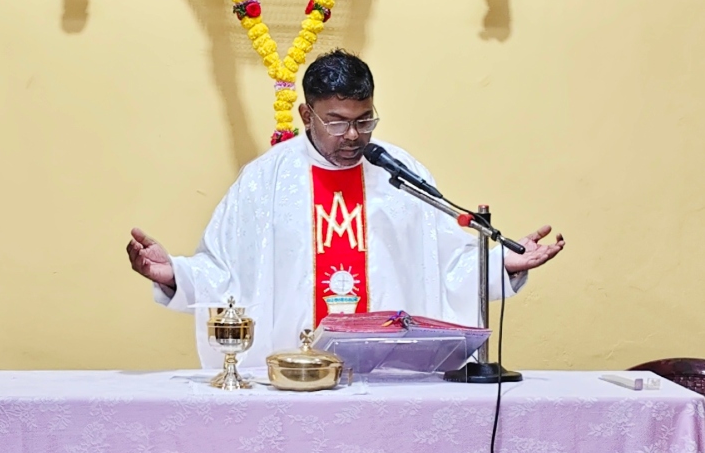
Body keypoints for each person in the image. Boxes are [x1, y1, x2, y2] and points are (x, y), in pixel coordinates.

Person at [127, 50, 564, 368]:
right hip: (293, 377)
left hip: (389, 378)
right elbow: (226, 273)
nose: (352, 135)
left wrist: (501, 262)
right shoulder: (266, 179)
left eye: (364, 119)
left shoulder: (401, 173)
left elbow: (444, 264)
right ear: (306, 114)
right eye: (336, 121)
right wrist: (175, 275)